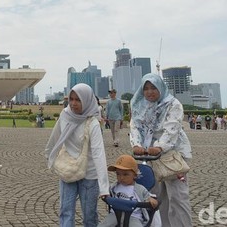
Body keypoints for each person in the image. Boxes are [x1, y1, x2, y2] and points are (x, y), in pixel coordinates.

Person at [130, 73, 192, 226]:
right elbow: (135, 126)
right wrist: (136, 144)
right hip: (149, 155)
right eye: (146, 89)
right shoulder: (139, 105)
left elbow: (172, 128)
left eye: (153, 88)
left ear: (161, 88)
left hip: (173, 154)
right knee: (157, 197)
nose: (149, 92)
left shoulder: (173, 104)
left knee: (178, 197)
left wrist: (159, 146)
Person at [45, 83, 109, 226]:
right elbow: (55, 137)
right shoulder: (65, 115)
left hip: (89, 174)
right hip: (69, 171)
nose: (73, 104)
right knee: (66, 212)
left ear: (86, 100)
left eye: (78, 100)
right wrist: (49, 155)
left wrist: (104, 187)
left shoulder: (92, 123)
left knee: (89, 216)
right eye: (71, 99)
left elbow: (99, 154)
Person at [98, 155, 158, 227]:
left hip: (134, 216)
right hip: (115, 214)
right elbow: (106, 193)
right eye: (118, 174)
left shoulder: (140, 189)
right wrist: (104, 194)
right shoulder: (114, 186)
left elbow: (147, 196)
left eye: (125, 174)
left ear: (135, 175)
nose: (121, 177)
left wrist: (151, 199)